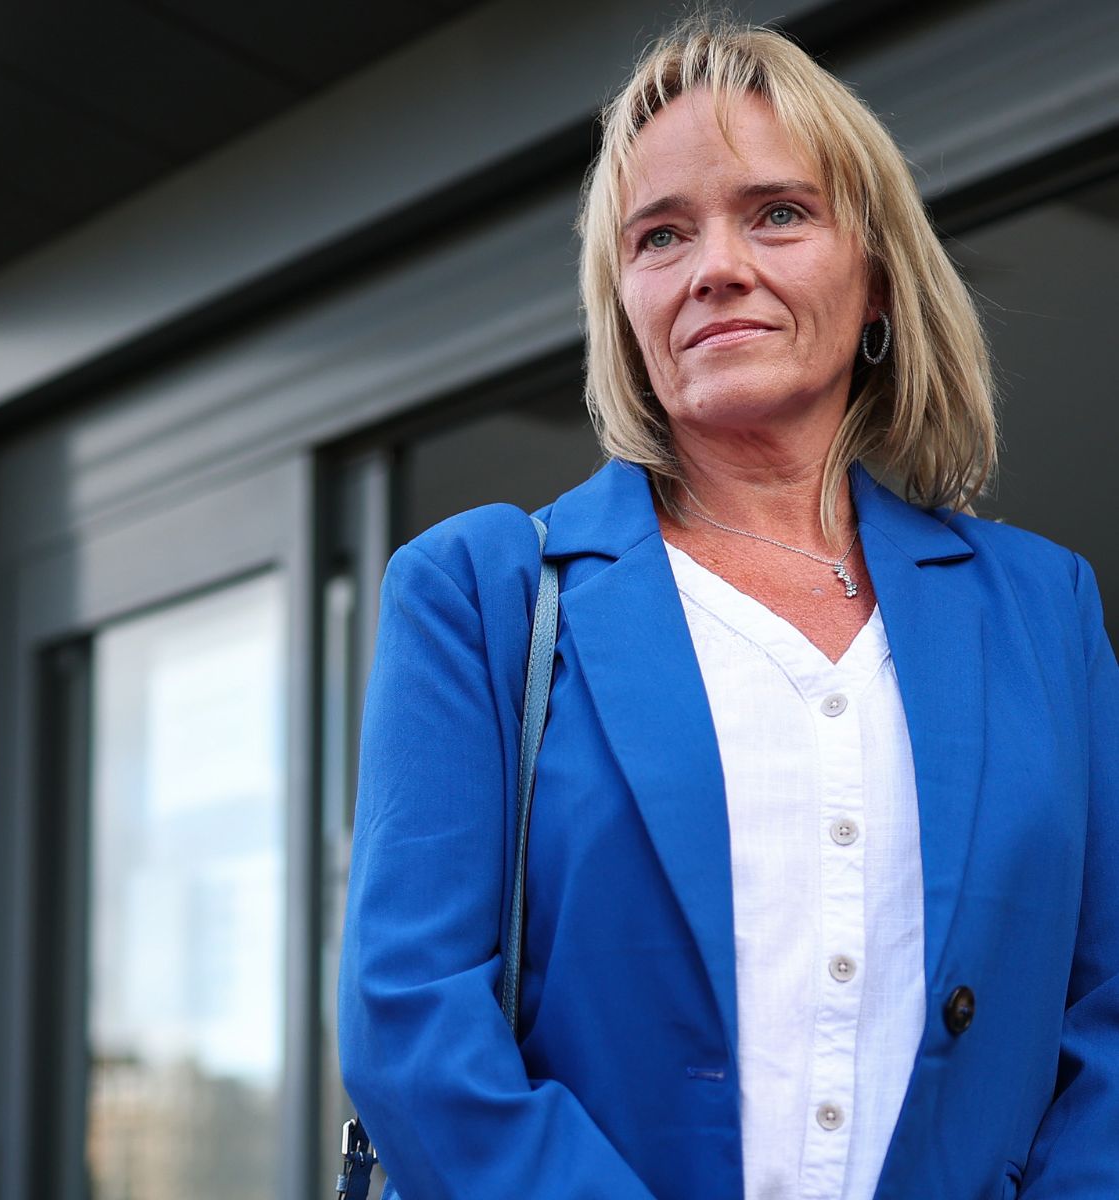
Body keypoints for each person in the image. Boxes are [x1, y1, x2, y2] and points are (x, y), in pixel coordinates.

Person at [338, 18, 1116, 1200]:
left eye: (777, 213)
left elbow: (1106, 1016)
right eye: (660, 235)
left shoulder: (1042, 607)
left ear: (876, 282)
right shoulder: (479, 594)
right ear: (628, 312)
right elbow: (410, 1021)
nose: (714, 265)